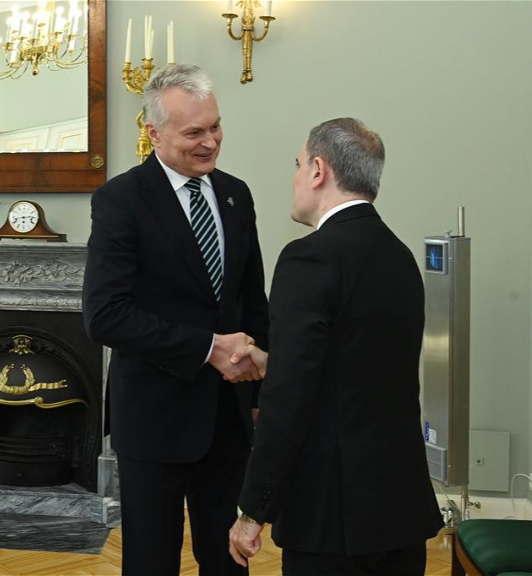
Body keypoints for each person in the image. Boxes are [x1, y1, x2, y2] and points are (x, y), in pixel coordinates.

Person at [228, 118, 444, 575]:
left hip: (332, 514)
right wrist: (275, 360)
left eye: (297, 164)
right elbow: (360, 363)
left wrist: (252, 510)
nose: (294, 176)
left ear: (318, 170)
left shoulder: (309, 257)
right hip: (400, 505)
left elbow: (288, 399)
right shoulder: (400, 256)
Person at [83, 64, 269, 576]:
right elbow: (106, 316)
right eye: (194, 132)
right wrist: (208, 348)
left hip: (229, 416)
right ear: (153, 133)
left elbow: (252, 301)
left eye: (216, 126)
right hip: (154, 417)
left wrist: (260, 393)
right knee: (151, 561)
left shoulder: (236, 194)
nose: (210, 142)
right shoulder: (120, 200)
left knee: (228, 560)